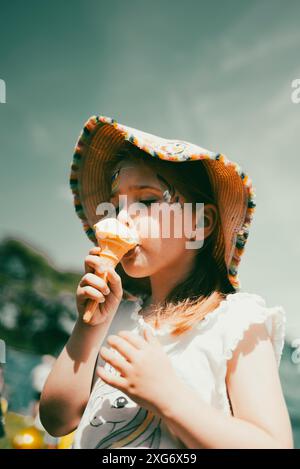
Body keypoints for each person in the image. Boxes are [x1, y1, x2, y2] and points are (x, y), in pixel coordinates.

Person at [40, 114, 294, 449]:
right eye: (116, 206)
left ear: (199, 223)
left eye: (147, 200)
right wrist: (87, 328)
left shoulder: (237, 322)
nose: (123, 217)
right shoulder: (115, 318)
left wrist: (169, 396)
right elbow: (58, 420)